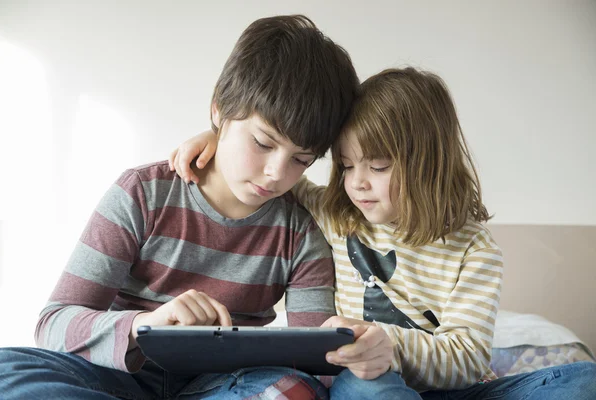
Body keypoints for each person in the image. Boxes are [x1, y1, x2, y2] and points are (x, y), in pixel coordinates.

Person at [169, 67, 596, 399]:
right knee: (363, 385)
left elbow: (466, 358)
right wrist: (218, 135)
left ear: (428, 164)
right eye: (346, 165)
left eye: (377, 167)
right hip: (367, 386)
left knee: (585, 381)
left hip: (454, 392)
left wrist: (390, 344)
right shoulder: (336, 214)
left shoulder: (474, 250)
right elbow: (270, 173)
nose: (356, 183)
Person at [0, 15, 360, 399]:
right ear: (219, 109)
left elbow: (315, 360)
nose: (275, 173)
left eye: (301, 161)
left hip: (227, 385)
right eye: (263, 142)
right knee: (6, 371)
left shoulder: (301, 234)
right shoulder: (143, 193)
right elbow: (54, 323)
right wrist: (145, 325)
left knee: (293, 390)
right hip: (119, 377)